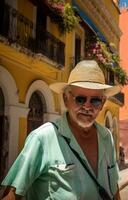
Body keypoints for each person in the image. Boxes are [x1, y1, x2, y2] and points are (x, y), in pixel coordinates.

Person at [1, 60, 121, 200]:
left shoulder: (106, 136)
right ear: (66, 99)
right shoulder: (42, 138)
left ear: (102, 103)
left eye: (95, 101)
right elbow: (11, 196)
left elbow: (114, 190)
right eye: (80, 99)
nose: (88, 107)